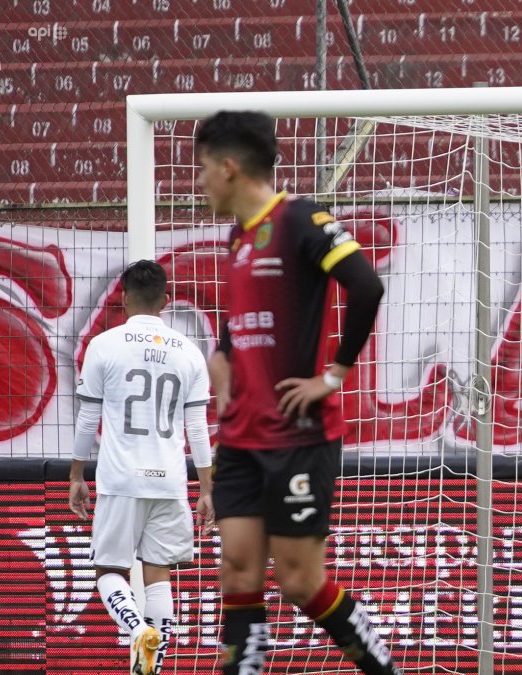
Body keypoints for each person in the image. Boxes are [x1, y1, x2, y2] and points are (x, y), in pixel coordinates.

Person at [195, 110, 400, 675]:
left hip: (296, 433)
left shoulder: (301, 219)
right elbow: (239, 330)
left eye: (204, 168)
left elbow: (366, 284)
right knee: (237, 572)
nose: (201, 181)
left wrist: (332, 376)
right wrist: (221, 360)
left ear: (229, 167)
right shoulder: (237, 238)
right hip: (240, 438)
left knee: (298, 581)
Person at [70, 260, 215, 675]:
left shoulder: (105, 345)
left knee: (108, 570)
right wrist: (206, 488)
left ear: (124, 297)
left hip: (120, 478)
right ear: (166, 301)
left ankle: (136, 630)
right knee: (159, 576)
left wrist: (77, 474)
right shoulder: (188, 351)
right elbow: (197, 428)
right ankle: (150, 667)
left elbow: (86, 419)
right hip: (169, 481)